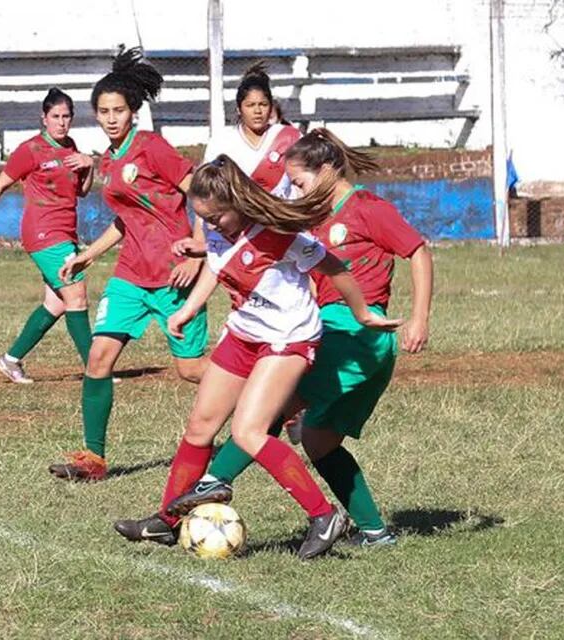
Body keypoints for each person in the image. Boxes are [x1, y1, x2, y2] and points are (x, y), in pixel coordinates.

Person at [113, 155, 401, 558]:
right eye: (202, 218)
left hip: (287, 339)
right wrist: (189, 308)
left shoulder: (276, 233)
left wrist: (363, 313)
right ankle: (167, 520)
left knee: (250, 431)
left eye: (216, 218)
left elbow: (335, 266)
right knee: (200, 426)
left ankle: (323, 516)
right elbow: (216, 266)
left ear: (237, 204)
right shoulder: (215, 229)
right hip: (244, 333)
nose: (209, 226)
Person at [166, 129, 433, 548]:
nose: (294, 189)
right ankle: (376, 533)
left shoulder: (367, 208)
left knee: (262, 412)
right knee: (317, 441)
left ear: (327, 171)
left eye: (300, 182)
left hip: (355, 335)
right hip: (332, 328)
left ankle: (213, 481)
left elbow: (418, 250)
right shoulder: (312, 217)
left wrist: (419, 318)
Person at [47, 47, 209, 482]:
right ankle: (93, 460)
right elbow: (127, 219)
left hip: (175, 273)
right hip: (131, 277)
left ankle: (278, 399)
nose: (111, 118)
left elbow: (203, 193)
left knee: (192, 370)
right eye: (103, 111)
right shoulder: (110, 159)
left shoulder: (153, 148)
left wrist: (197, 248)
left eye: (118, 110)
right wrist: (89, 253)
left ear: (134, 112)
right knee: (98, 359)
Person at [0, 88, 95, 384]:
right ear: (44, 118)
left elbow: (81, 192)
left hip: (65, 231)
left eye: (66, 117)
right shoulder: (30, 150)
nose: (61, 123)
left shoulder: (71, 147)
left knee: (57, 303)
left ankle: (10, 360)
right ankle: (96, 370)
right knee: (77, 296)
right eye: (55, 117)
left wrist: (89, 166)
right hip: (43, 232)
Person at [202, 63, 301, 199]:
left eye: (263, 105)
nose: (258, 111)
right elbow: (207, 190)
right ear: (239, 108)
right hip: (238, 219)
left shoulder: (290, 137)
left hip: (283, 218)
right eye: (250, 105)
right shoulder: (221, 142)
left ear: (271, 106)